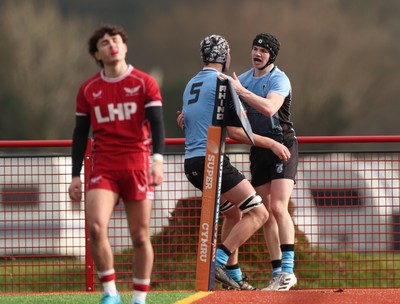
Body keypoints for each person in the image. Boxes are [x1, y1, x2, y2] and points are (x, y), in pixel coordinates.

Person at [180, 34, 291, 290]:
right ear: (224, 56)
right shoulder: (223, 83)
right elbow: (236, 133)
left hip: (191, 164)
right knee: (260, 212)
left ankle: (234, 277)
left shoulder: (191, 83)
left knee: (233, 213)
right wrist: (273, 143)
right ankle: (218, 262)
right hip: (212, 162)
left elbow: (188, 119)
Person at [68, 24, 165, 304]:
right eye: (104, 43)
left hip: (137, 165)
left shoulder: (144, 82)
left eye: (116, 41)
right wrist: (76, 175)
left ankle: (138, 298)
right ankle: (110, 294)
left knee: (139, 235)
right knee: (96, 227)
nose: (111, 45)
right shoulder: (88, 89)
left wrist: (156, 161)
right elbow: (79, 134)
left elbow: (157, 126)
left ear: (124, 47)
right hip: (105, 167)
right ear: (97, 54)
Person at [225, 33, 298, 291]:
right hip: (258, 149)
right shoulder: (242, 79)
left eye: (263, 51)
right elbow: (226, 116)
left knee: (279, 207)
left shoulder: (278, 78)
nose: (258, 53)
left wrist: (242, 92)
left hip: (283, 145)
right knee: (265, 214)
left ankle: (289, 271)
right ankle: (277, 272)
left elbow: (269, 109)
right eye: (255, 48)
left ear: (272, 56)